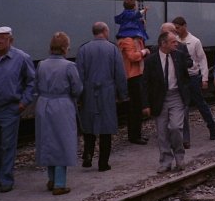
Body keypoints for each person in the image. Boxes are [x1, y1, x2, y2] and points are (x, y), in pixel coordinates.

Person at [0, 26, 36, 193]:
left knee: (7, 144)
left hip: (9, 108)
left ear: (11, 40)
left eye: (2, 38)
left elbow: (31, 82)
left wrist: (24, 102)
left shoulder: (22, 58)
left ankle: (6, 179)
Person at [34, 32, 83, 195]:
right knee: (63, 142)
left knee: (48, 141)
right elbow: (77, 88)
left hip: (43, 104)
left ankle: (51, 179)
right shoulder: (69, 66)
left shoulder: (41, 64)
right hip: (62, 105)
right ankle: (60, 183)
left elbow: (36, 85)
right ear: (64, 48)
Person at [76, 22, 128, 171]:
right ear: (105, 31)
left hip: (88, 92)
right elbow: (119, 74)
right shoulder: (112, 49)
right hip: (107, 92)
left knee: (89, 126)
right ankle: (103, 163)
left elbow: (79, 74)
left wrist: (79, 96)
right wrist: (123, 94)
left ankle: (87, 156)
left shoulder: (83, 49)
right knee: (106, 128)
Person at [142, 30, 190, 173]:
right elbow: (144, 84)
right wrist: (146, 104)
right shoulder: (151, 61)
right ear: (163, 44)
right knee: (162, 132)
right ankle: (165, 161)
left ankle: (179, 157)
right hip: (159, 99)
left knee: (175, 128)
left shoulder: (179, 57)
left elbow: (185, 78)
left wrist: (187, 96)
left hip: (176, 97)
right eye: (173, 42)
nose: (177, 44)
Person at [173, 16, 215, 142]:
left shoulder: (195, 41)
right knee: (183, 106)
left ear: (184, 26)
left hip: (193, 77)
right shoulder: (175, 41)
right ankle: (184, 137)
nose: (176, 30)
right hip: (180, 77)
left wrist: (204, 78)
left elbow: (202, 60)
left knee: (200, 103)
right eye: (175, 28)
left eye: (178, 28)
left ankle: (212, 127)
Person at [116, 10, 150, 145]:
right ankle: (134, 136)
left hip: (136, 75)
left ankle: (137, 133)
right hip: (132, 76)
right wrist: (144, 52)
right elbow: (132, 56)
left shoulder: (133, 39)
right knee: (135, 107)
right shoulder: (128, 40)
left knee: (136, 106)